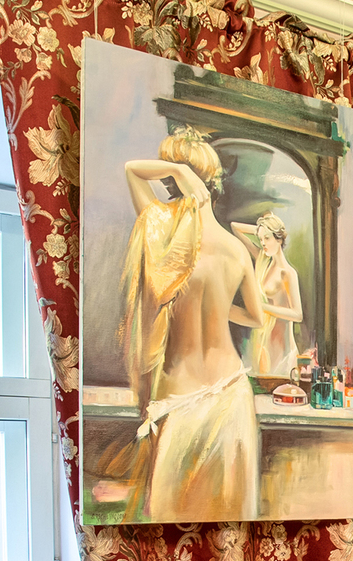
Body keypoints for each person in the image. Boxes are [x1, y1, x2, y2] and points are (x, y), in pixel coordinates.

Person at [115, 127, 265, 521]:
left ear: (171, 181)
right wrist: (219, 307)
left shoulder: (162, 235)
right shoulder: (237, 250)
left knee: (167, 524)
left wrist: (177, 171)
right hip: (232, 392)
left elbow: (131, 170)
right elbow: (255, 317)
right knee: (231, 523)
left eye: (170, 177)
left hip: (180, 398)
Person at [232, 211, 303, 377]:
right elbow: (235, 227)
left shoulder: (288, 273)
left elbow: (297, 314)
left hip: (283, 350)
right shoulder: (263, 260)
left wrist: (262, 307)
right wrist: (262, 228)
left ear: (279, 239)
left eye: (267, 238)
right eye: (260, 239)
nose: (263, 243)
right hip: (263, 347)